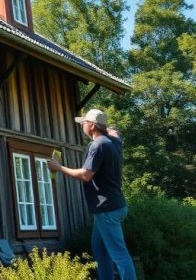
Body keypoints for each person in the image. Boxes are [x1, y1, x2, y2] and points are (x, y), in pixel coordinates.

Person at [48, 108, 136, 280]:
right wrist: (106, 128)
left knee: (119, 255)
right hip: (112, 206)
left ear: (92, 126)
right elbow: (116, 132)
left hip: (107, 209)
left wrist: (58, 168)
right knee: (99, 252)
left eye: (84, 123)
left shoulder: (98, 145)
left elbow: (86, 175)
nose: (82, 126)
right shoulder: (114, 142)